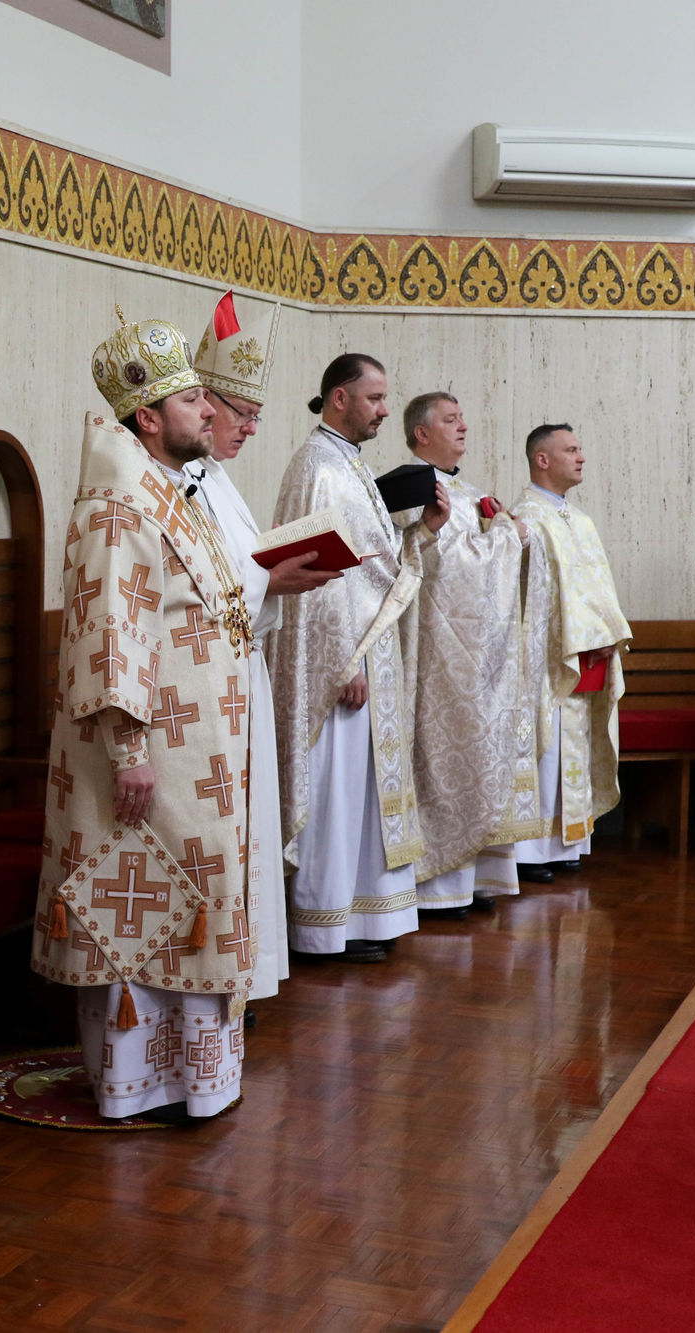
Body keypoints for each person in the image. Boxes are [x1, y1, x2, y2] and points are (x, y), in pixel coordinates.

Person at [32, 311, 259, 1122]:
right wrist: (128, 747)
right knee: (148, 897)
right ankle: (142, 1084)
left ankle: (196, 1077)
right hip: (153, 746)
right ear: (148, 417)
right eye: (194, 400)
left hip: (200, 743)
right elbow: (109, 628)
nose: (209, 410)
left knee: (193, 892)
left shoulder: (172, 490)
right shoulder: (120, 500)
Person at [185, 291, 340, 1005]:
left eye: (255, 415)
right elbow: (191, 584)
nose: (250, 428)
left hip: (239, 669)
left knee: (248, 826)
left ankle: (244, 972)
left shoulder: (218, 480)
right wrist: (267, 579)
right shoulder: (178, 484)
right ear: (201, 403)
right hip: (202, 682)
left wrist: (272, 577)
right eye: (240, 413)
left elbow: (237, 571)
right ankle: (224, 977)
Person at [271, 355, 447, 964]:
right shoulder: (317, 468)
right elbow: (315, 575)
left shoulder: (348, 463)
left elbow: (371, 563)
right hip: (341, 659)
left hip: (368, 649)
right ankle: (324, 925)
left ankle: (366, 918)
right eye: (374, 399)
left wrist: (420, 531)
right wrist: (340, 663)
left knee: (364, 792)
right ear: (339, 398)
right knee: (336, 791)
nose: (383, 411)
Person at [398, 392, 542, 917]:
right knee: (444, 763)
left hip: (484, 658)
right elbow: (439, 564)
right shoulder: (410, 489)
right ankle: (440, 889)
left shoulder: (472, 493)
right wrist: (507, 534)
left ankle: (478, 879)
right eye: (450, 420)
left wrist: (511, 533)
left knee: (483, 758)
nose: (463, 426)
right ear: (421, 434)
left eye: (463, 418)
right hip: (438, 654)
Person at [510, 425, 630, 877]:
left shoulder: (579, 519)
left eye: (580, 449)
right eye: (571, 450)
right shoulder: (526, 518)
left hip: (587, 653)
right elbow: (532, 595)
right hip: (547, 659)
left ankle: (566, 845)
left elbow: (597, 588)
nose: (581, 457)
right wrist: (581, 637)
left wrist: (607, 634)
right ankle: (530, 852)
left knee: (574, 745)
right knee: (546, 746)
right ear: (542, 460)